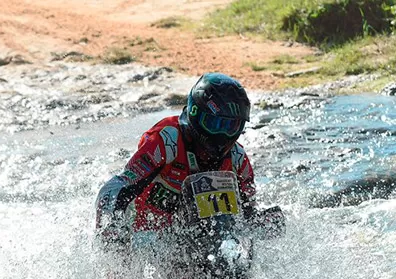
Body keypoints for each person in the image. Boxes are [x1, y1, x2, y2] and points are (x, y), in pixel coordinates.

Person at [95, 72, 284, 251]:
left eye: (230, 126)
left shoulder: (237, 159)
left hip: (199, 247)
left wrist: (264, 223)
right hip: (143, 241)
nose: (221, 136)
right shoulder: (166, 140)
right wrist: (112, 227)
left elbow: (246, 216)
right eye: (215, 124)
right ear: (195, 113)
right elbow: (114, 188)